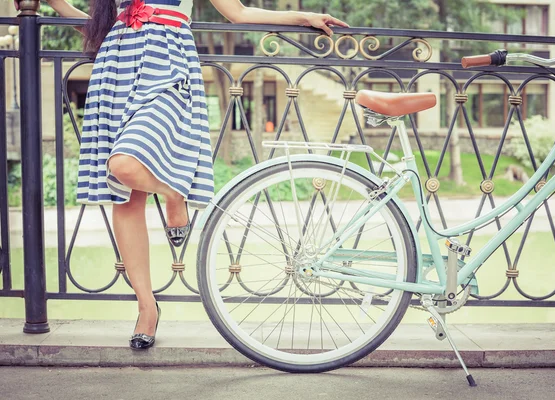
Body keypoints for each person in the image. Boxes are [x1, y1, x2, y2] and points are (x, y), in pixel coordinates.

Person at [19, 0, 348, 350]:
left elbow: (239, 13)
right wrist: (54, 3)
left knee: (124, 166)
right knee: (125, 195)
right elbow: (97, 29)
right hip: (116, 70)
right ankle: (147, 306)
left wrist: (304, 17)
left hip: (167, 66)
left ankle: (176, 193)